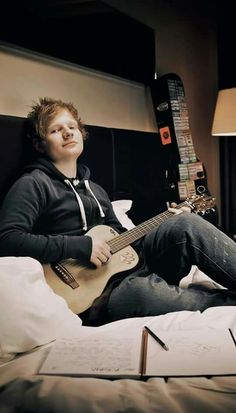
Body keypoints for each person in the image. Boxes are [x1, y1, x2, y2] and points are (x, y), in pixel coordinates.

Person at [0, 97, 236, 326]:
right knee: (141, 294)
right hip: (97, 293)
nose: (68, 132)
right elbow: (7, 239)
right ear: (39, 143)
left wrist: (166, 222)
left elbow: (122, 236)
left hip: (131, 264)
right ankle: (225, 302)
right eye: (55, 130)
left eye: (72, 126)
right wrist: (80, 247)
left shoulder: (96, 190)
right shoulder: (33, 184)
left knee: (185, 224)